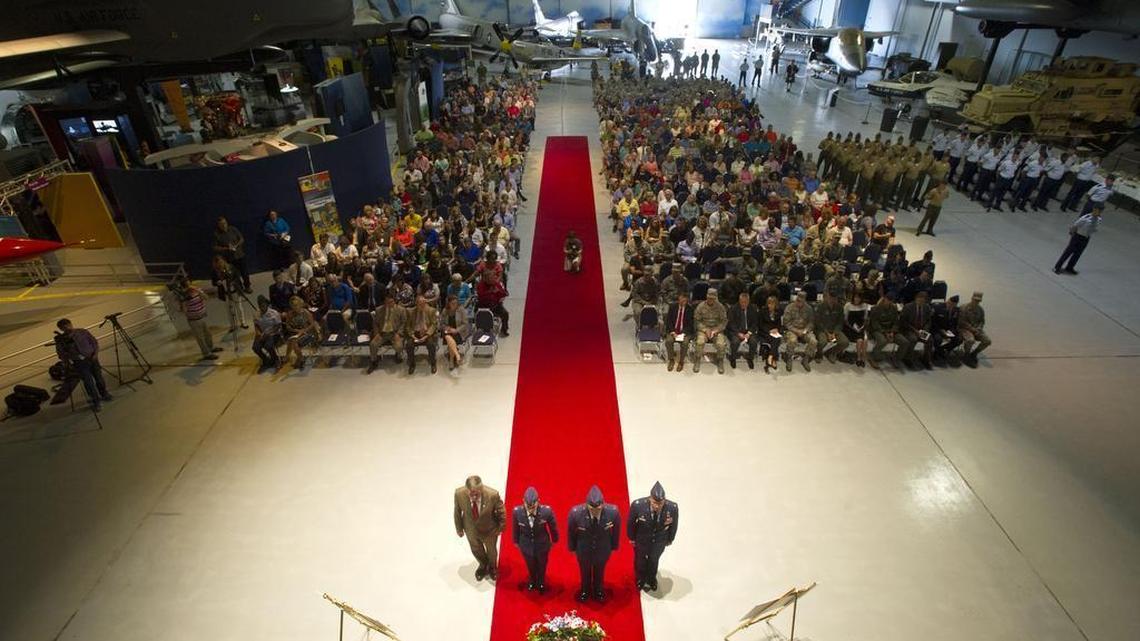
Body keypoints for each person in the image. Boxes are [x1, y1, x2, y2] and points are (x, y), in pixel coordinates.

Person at [567, 485, 621, 603]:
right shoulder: (576, 513)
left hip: (602, 549)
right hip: (583, 550)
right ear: (586, 504)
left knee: (600, 571)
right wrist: (572, 548)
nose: (595, 511)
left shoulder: (613, 512)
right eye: (592, 508)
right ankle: (585, 590)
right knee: (584, 572)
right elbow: (571, 532)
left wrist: (614, 547)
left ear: (603, 503)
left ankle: (598, 590)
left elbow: (616, 531)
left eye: (598, 508)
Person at [627, 481, 678, 592]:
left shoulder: (672, 508)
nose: (657, 506)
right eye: (655, 502)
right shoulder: (638, 506)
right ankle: (640, 578)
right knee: (640, 560)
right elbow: (631, 523)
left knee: (654, 560)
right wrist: (631, 538)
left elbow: (674, 525)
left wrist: (670, 539)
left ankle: (651, 579)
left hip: (659, 541)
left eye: (660, 503)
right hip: (642, 539)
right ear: (650, 499)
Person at [453, 475, 506, 582]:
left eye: (477, 494)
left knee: (491, 551)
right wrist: (459, 528)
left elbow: (501, 512)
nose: (474, 496)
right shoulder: (459, 494)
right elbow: (457, 512)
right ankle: (483, 565)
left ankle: (492, 567)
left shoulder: (492, 495)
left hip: (489, 530)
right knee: (476, 549)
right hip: (470, 530)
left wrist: (501, 527)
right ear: (466, 490)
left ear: (481, 489)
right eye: (471, 494)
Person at [54, 318, 112, 410]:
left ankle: (104, 393)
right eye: (64, 327)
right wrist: (68, 359)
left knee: (99, 378)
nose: (67, 328)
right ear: (61, 329)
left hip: (92, 359)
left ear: (71, 324)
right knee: (88, 382)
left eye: (68, 325)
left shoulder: (82, 332)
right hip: (79, 363)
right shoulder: (61, 340)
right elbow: (60, 353)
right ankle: (95, 401)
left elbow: (94, 342)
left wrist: (95, 354)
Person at [512, 486, 559, 594]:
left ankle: (541, 581)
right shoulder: (517, 512)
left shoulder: (546, 511)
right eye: (528, 507)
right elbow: (515, 528)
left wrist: (554, 540)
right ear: (523, 501)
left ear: (538, 501)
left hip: (542, 544)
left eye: (533, 506)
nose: (530, 509)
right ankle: (532, 580)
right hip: (526, 544)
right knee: (530, 564)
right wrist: (516, 541)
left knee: (542, 564)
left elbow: (553, 527)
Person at [175, 276, 222, 360]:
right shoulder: (183, 296)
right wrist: (183, 300)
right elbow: (183, 310)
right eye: (187, 283)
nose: (189, 285)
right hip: (194, 320)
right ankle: (206, 353)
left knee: (207, 334)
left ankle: (210, 348)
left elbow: (206, 297)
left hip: (202, 316)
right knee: (200, 337)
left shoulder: (196, 291)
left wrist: (198, 290)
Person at [1053, 204, 1102, 275]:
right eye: (1096, 210)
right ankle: (1057, 267)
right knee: (1068, 252)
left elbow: (1095, 229)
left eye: (1099, 211)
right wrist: (1072, 233)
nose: (1096, 212)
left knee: (1078, 253)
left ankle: (1069, 267)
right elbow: (1075, 225)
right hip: (1078, 236)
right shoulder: (1086, 217)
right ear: (1093, 209)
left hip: (1086, 237)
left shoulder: (1099, 219)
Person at [366, 296, 407, 374]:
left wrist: (399, 333)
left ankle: (397, 354)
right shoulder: (379, 310)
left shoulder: (401, 310)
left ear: (394, 302)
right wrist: (376, 333)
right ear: (384, 302)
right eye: (387, 302)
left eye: (391, 302)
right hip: (382, 333)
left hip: (394, 333)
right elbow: (375, 323)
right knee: (373, 344)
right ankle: (374, 361)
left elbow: (404, 323)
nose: (389, 304)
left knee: (399, 347)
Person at [868, 291, 908, 369]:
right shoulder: (876, 308)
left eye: (891, 300)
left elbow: (896, 322)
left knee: (904, 342)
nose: (889, 302)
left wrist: (892, 332)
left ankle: (896, 358)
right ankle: (873, 357)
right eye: (887, 299)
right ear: (884, 299)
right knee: (883, 341)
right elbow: (874, 323)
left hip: (891, 330)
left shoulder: (893, 308)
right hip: (878, 330)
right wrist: (885, 333)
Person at [212, 217, 251, 292]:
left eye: (225, 223)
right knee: (234, 274)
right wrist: (226, 248)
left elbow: (242, 239)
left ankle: (247, 286)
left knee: (244, 272)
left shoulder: (233, 229)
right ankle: (239, 288)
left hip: (240, 255)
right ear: (218, 225)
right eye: (221, 224)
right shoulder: (216, 234)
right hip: (229, 258)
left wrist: (236, 245)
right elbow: (215, 247)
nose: (224, 225)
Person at [694, 288, 728, 374]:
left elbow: (724, 321)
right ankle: (697, 359)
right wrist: (705, 330)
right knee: (700, 342)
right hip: (704, 329)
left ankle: (720, 360)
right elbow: (696, 321)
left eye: (713, 298)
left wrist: (716, 330)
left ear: (716, 298)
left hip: (716, 329)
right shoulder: (701, 306)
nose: (711, 300)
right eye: (709, 298)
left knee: (721, 344)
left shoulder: (720, 307)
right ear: (706, 297)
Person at [781, 291, 817, 371]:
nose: (798, 302)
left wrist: (805, 330)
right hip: (792, 330)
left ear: (804, 301)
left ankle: (806, 359)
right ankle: (789, 358)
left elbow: (811, 322)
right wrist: (796, 331)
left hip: (804, 330)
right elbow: (786, 323)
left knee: (813, 341)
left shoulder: (809, 309)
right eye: (797, 300)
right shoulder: (790, 307)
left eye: (801, 301)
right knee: (792, 340)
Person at [283, 295, 320, 370]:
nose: (295, 307)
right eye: (293, 305)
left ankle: (296, 358)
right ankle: (300, 358)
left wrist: (303, 331)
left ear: (300, 304)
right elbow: (287, 326)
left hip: (307, 332)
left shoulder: (305, 312)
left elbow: (312, 324)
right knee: (293, 341)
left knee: (292, 341)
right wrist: (295, 331)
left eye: (296, 305)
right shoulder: (290, 314)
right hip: (296, 333)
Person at [899, 290, 934, 369]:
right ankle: (907, 358)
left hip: (921, 330)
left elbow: (928, 321)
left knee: (930, 339)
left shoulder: (927, 307)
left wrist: (925, 330)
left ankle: (926, 359)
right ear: (916, 299)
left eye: (923, 301)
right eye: (920, 300)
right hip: (909, 329)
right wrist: (915, 330)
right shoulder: (908, 307)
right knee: (913, 339)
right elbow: (903, 322)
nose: (921, 303)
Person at [405, 295, 439, 375]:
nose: (422, 306)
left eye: (424, 304)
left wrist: (426, 335)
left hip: (427, 333)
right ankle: (412, 364)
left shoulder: (431, 311)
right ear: (416, 304)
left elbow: (434, 325)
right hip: (415, 332)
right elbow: (408, 326)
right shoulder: (411, 311)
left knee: (431, 344)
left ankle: (433, 363)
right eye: (420, 304)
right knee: (409, 345)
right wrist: (412, 335)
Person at [958, 291, 991, 368]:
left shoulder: (980, 310)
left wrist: (979, 328)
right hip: (964, 329)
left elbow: (982, 321)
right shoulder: (964, 308)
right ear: (972, 298)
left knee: (987, 341)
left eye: (978, 301)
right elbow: (961, 322)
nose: (976, 302)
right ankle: (966, 355)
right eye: (975, 300)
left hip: (976, 330)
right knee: (970, 340)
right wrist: (972, 329)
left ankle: (974, 354)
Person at [727, 291, 759, 369]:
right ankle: (733, 358)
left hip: (748, 331)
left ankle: (750, 358)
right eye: (741, 302)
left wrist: (749, 333)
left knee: (754, 342)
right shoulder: (733, 309)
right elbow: (731, 323)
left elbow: (755, 323)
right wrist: (738, 333)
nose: (743, 304)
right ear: (739, 301)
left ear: (748, 302)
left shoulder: (753, 309)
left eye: (745, 302)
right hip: (736, 331)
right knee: (735, 342)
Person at [815, 292, 849, 364]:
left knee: (844, 342)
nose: (832, 300)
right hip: (822, 330)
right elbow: (818, 322)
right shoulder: (820, 307)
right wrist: (827, 333)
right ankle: (819, 354)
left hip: (834, 331)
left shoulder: (839, 308)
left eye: (834, 298)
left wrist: (834, 333)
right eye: (830, 298)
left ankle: (830, 353)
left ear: (836, 299)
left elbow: (840, 322)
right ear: (827, 297)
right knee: (822, 342)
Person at [664, 292, 694, 372]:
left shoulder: (690, 309)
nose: (683, 302)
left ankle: (681, 361)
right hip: (673, 331)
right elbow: (668, 321)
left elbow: (691, 324)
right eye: (681, 300)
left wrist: (683, 333)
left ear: (687, 300)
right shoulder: (672, 307)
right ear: (679, 299)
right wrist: (673, 332)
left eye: (684, 300)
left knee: (685, 343)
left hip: (685, 332)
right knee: (668, 341)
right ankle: (671, 360)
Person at [252, 295, 282, 372]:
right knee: (256, 347)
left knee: (268, 345)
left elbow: (278, 325)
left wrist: (269, 333)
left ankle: (275, 360)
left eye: (263, 305)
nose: (262, 307)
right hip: (261, 334)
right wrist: (258, 332)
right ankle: (266, 361)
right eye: (260, 306)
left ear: (267, 305)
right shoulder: (256, 313)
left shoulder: (274, 313)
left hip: (273, 333)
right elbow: (256, 324)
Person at [932, 294, 963, 364]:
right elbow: (933, 322)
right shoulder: (938, 308)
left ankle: (943, 350)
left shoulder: (956, 311)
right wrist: (941, 330)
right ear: (948, 301)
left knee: (959, 339)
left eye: (953, 305)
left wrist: (951, 331)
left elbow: (955, 323)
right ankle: (936, 353)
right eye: (949, 303)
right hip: (937, 329)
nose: (950, 306)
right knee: (938, 339)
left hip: (949, 330)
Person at [440, 295, 469, 370]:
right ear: (449, 303)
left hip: (459, 332)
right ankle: (457, 355)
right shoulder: (445, 311)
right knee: (448, 336)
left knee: (449, 339)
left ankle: (451, 361)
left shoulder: (461, 310)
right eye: (452, 303)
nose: (454, 305)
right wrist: (447, 328)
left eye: (456, 303)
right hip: (448, 331)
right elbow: (441, 324)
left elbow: (465, 324)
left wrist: (457, 330)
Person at [843, 290, 870, 367]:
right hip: (850, 328)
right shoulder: (848, 305)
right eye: (856, 297)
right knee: (860, 340)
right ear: (853, 297)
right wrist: (853, 327)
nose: (857, 299)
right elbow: (845, 320)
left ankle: (863, 358)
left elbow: (865, 319)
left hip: (861, 327)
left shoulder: (864, 305)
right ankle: (858, 358)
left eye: (859, 298)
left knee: (865, 340)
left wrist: (862, 326)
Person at [758, 294, 783, 372]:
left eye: (772, 304)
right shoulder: (762, 311)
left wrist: (776, 329)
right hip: (764, 332)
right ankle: (773, 359)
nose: (770, 305)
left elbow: (779, 325)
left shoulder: (778, 312)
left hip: (774, 332)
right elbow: (760, 324)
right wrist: (769, 330)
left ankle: (770, 357)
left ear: (775, 304)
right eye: (769, 303)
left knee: (777, 338)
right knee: (776, 340)